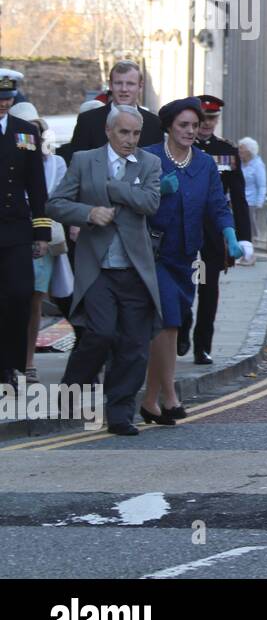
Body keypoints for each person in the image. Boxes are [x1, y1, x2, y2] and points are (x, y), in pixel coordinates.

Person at [49, 104, 162, 435]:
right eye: (124, 132)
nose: (130, 140)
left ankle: (120, 413)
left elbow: (150, 203)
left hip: (135, 269)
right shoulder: (84, 161)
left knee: (134, 345)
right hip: (97, 268)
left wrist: (115, 188)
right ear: (109, 131)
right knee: (100, 333)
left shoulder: (149, 163)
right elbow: (55, 204)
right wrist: (88, 213)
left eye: (136, 133)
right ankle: (71, 388)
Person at [139, 98, 240, 425]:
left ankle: (150, 401)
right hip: (154, 252)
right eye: (183, 125)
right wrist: (159, 191)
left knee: (173, 322)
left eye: (194, 126)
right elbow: (132, 198)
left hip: (186, 256)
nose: (190, 131)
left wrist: (230, 235)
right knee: (169, 321)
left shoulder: (205, 163)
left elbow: (218, 205)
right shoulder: (149, 157)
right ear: (169, 126)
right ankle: (170, 396)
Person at [179, 96, 253, 364]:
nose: (208, 124)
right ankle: (182, 327)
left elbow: (239, 197)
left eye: (213, 118)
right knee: (183, 284)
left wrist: (244, 238)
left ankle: (202, 346)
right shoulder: (181, 147)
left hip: (213, 232)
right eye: (204, 118)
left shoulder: (227, 151)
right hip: (183, 228)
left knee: (208, 289)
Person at [10, 104, 73, 383]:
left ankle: (27, 362)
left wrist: (42, 234)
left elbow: (53, 200)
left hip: (38, 237)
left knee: (34, 299)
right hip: (10, 236)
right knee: (9, 299)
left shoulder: (54, 163)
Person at [0, 72, 53, 389]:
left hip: (16, 227)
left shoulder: (26, 132)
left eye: (8, 98)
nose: (3, 104)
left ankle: (12, 363)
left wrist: (42, 232)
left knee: (20, 295)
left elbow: (36, 186)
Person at [64, 61, 163, 158]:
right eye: (118, 83)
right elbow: (77, 162)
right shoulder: (87, 120)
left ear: (140, 86)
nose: (124, 89)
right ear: (110, 85)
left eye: (130, 84)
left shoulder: (155, 124)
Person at [239, 137, 267, 246]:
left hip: (251, 202)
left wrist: (259, 203)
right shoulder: (240, 164)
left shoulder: (257, 165)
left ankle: (251, 245)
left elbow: (262, 186)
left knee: (250, 226)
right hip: (239, 200)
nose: (239, 152)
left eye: (241, 149)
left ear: (249, 151)